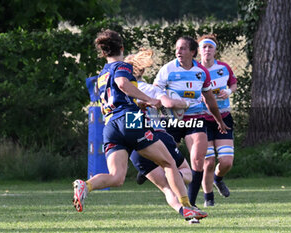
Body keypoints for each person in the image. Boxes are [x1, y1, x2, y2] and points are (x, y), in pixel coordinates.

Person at [72, 30, 207, 221]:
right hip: (130, 119)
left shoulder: (102, 74)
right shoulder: (122, 66)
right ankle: (187, 206)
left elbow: (117, 97)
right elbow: (122, 84)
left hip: (110, 125)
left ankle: (86, 185)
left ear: (103, 52)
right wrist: (150, 99)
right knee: (168, 162)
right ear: (121, 48)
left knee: (116, 177)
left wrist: (140, 102)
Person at [125, 49, 202, 223]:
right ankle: (175, 180)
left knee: (166, 189)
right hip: (157, 137)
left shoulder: (121, 93)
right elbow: (167, 103)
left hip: (135, 145)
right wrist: (187, 103)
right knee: (185, 174)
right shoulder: (147, 89)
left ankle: (187, 216)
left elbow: (129, 122)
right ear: (142, 70)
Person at [153, 36, 229, 207]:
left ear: (192, 52)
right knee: (163, 157)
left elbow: (209, 99)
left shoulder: (201, 72)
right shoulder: (168, 69)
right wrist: (165, 99)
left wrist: (219, 120)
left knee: (198, 159)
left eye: (183, 48)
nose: (178, 52)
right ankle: (146, 169)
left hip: (195, 118)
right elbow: (155, 90)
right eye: (177, 48)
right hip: (172, 120)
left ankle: (191, 204)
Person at [198, 34, 237, 207]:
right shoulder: (194, 70)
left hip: (223, 117)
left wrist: (228, 92)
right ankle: (209, 199)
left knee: (227, 162)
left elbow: (233, 84)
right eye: (204, 47)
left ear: (215, 50)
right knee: (209, 161)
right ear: (198, 50)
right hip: (203, 119)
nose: (207, 50)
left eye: (210, 47)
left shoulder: (224, 68)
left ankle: (218, 179)